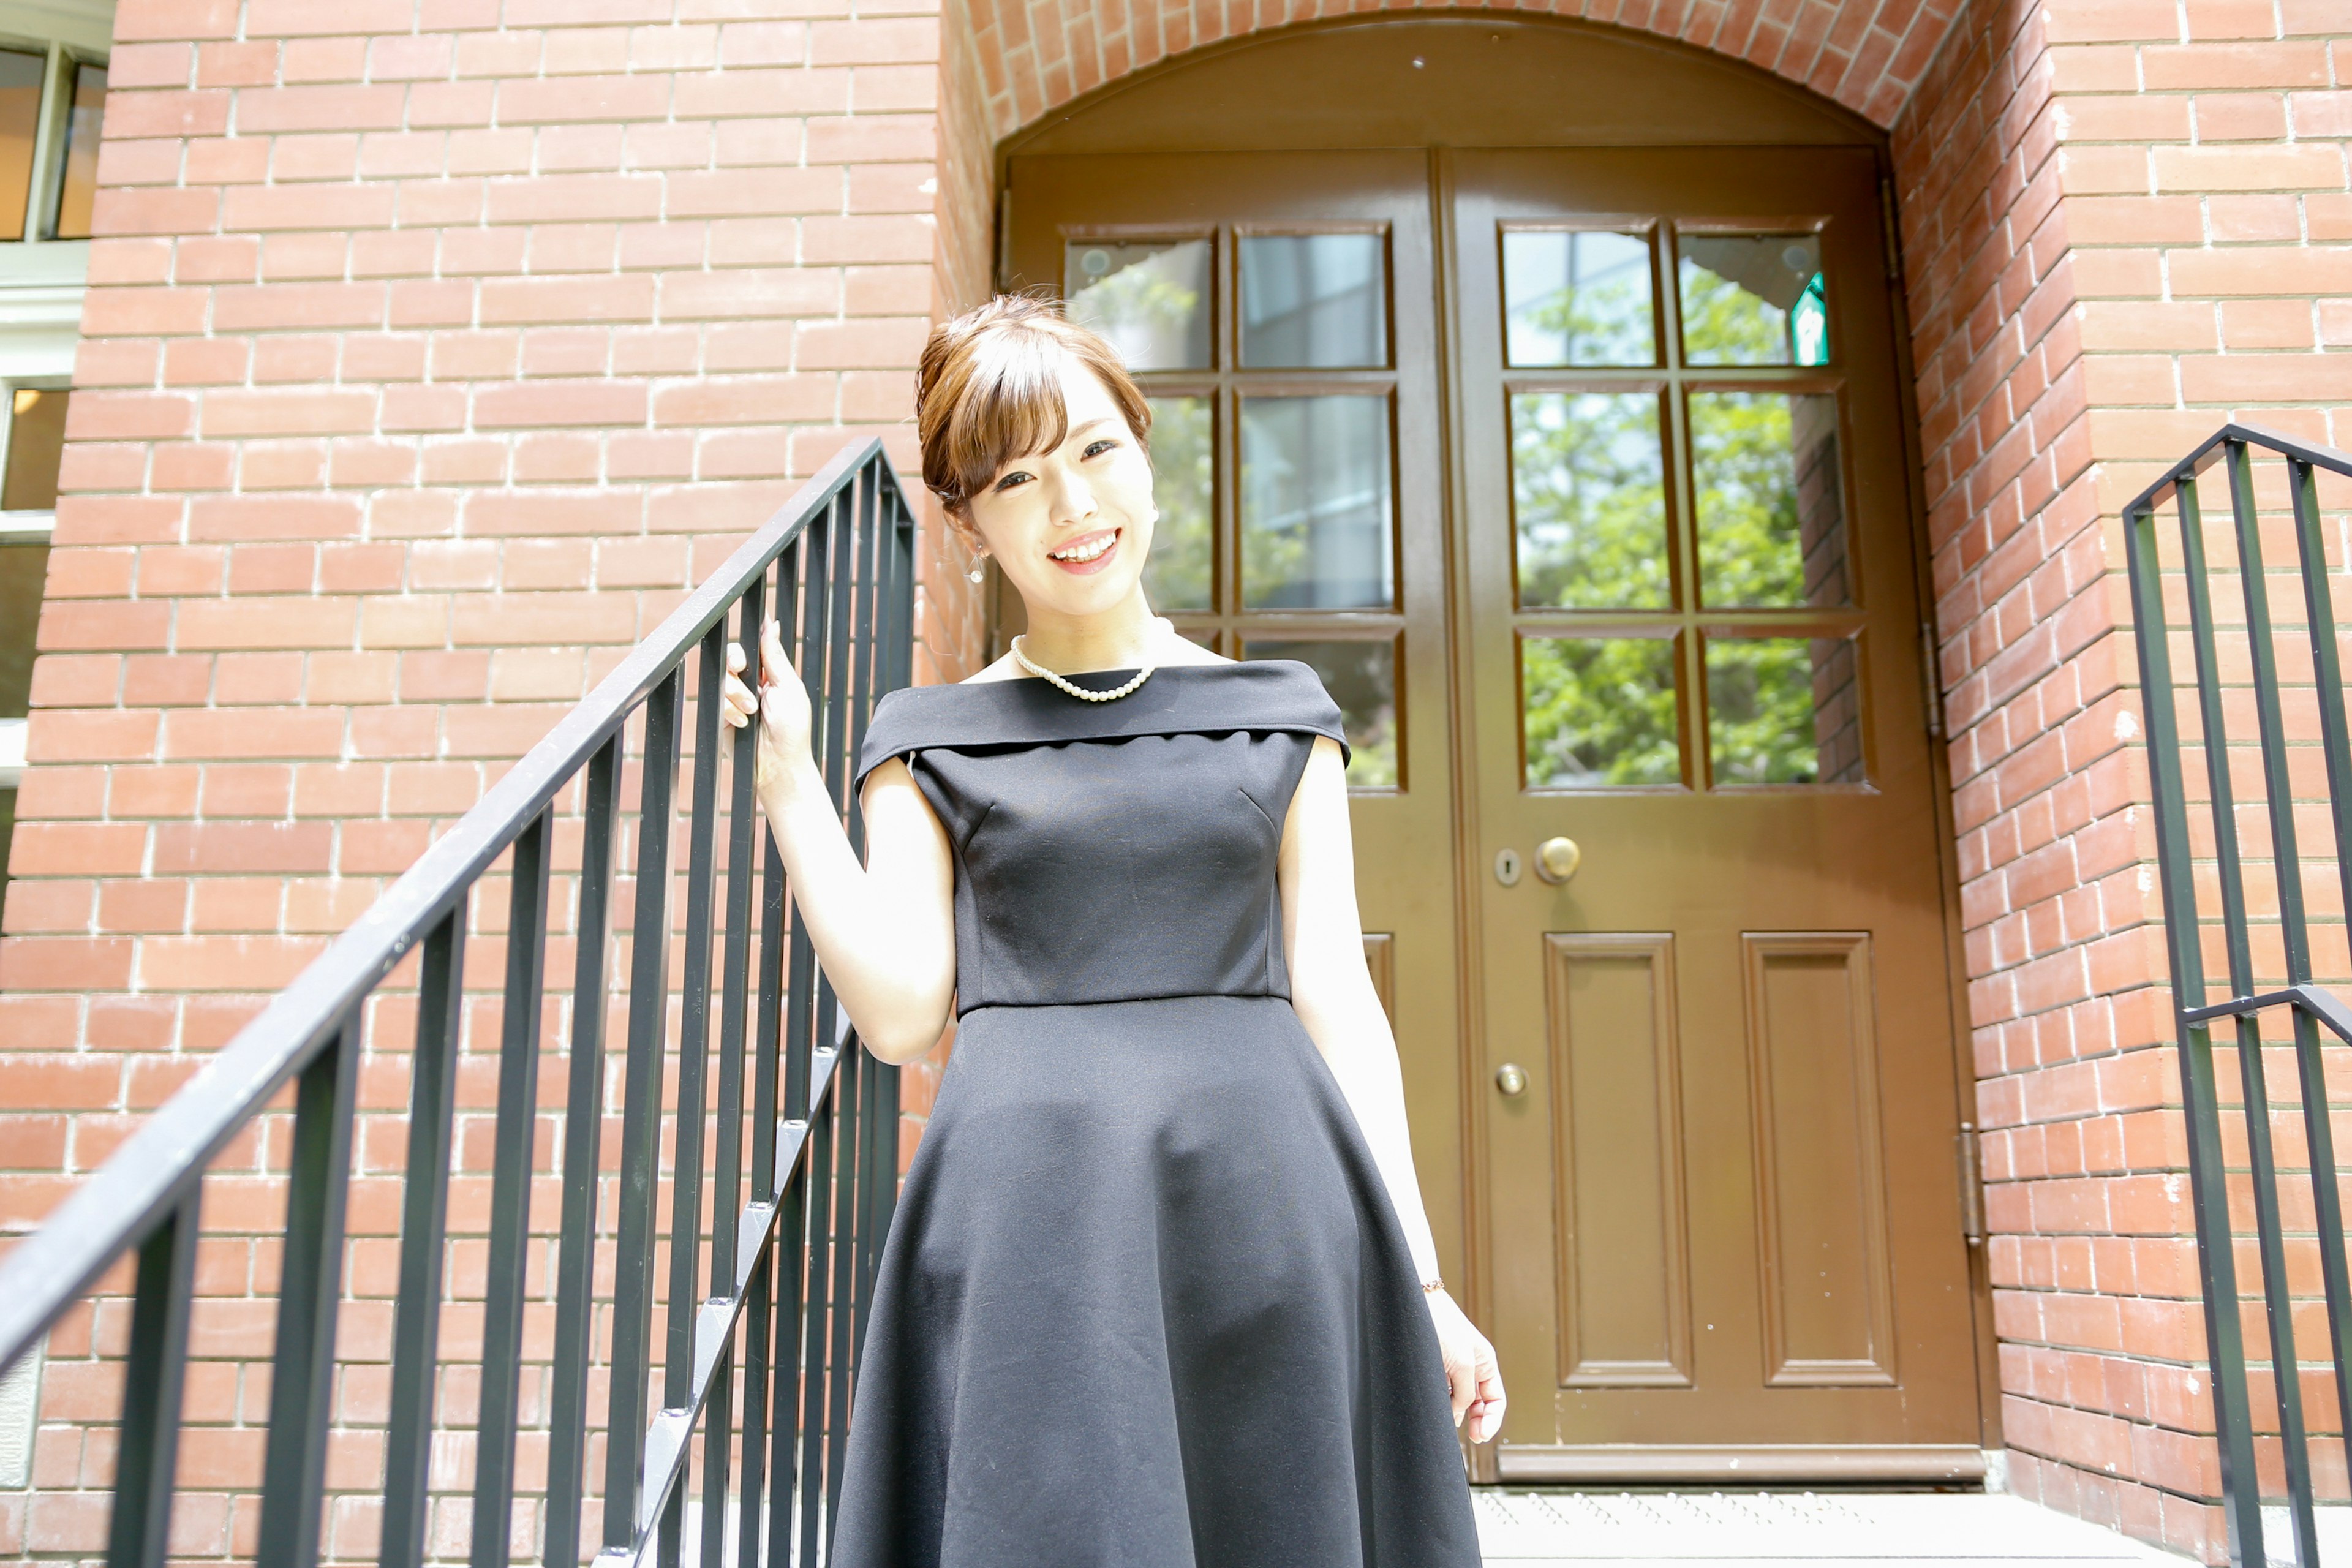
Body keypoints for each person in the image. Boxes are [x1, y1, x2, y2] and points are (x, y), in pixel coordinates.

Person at [720, 294, 1502, 1567]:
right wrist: (792, 790)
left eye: (1095, 452)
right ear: (969, 523)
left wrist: (1418, 1281)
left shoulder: (1281, 717)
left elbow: (1336, 995)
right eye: (1019, 479)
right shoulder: (929, 738)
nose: (1073, 508)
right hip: (1034, 1219)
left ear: (1144, 452)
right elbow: (901, 1010)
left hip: (1266, 1198)